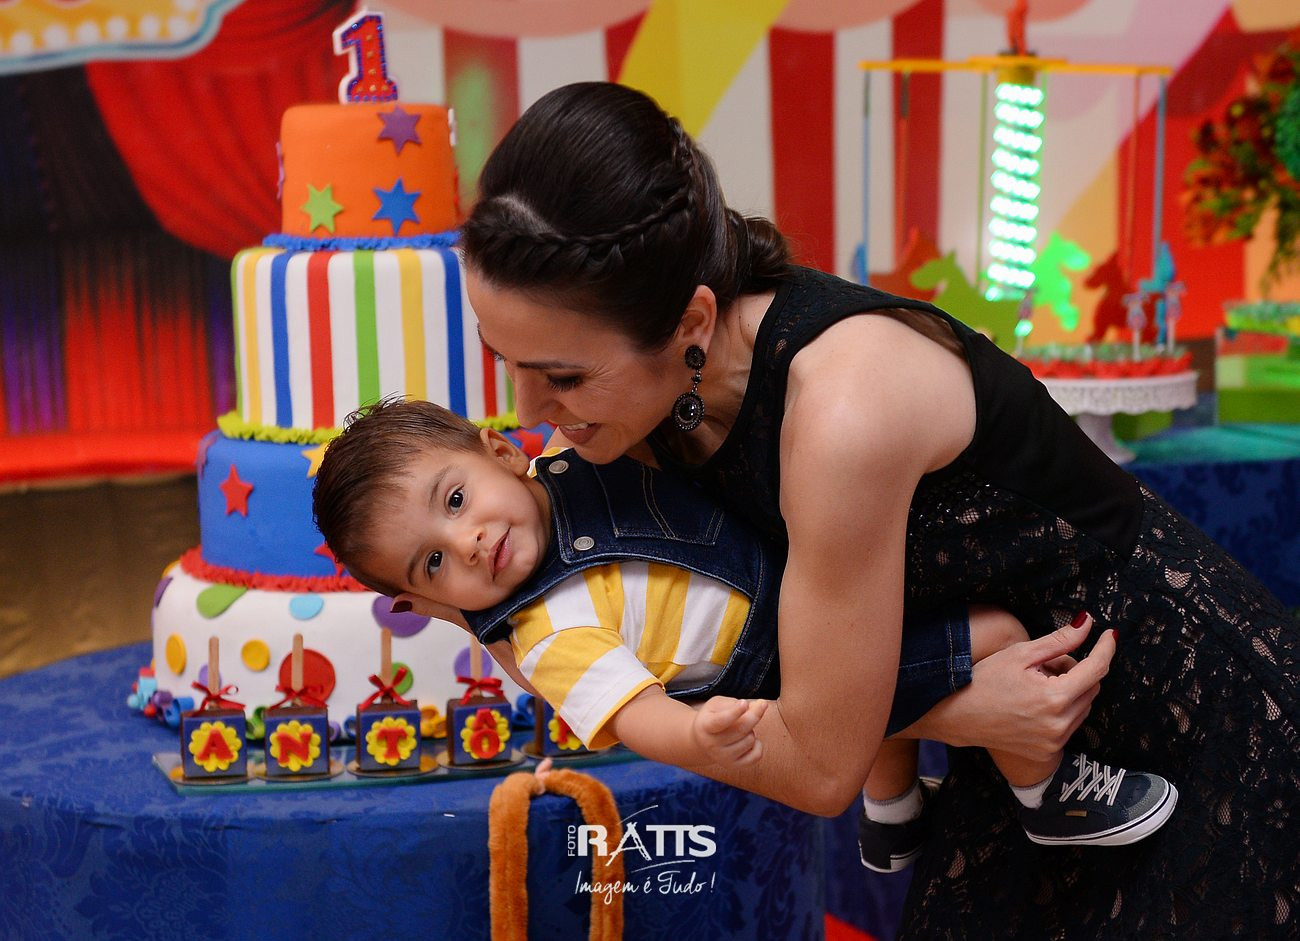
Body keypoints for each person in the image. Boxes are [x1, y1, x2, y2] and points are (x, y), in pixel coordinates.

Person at [448, 81, 1299, 938]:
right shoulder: (635, 413)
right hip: (1018, 734)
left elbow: (819, 765)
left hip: (1181, 711)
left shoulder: (845, 411)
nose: (528, 409)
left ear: (691, 321)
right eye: (503, 357)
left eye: (563, 376)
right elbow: (582, 646)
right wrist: (964, 708)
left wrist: (935, 712)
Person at [312, 396, 1177, 865]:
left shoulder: (577, 460)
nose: (467, 541)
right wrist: (697, 732)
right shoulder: (546, 634)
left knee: (896, 629)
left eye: (455, 498)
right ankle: (1045, 792)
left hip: (792, 585)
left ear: (502, 451)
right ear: (429, 601)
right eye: (433, 562)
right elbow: (638, 716)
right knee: (992, 631)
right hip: (773, 667)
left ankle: (893, 811)